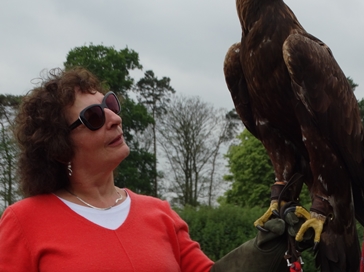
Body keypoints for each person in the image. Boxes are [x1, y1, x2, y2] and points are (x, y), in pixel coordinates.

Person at [0, 67, 301, 271]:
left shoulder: (160, 214)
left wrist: (263, 251)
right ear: (58, 144)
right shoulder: (24, 221)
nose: (114, 118)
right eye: (93, 116)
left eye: (110, 105)